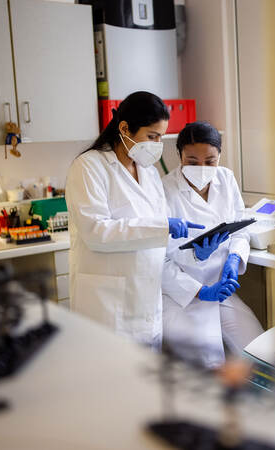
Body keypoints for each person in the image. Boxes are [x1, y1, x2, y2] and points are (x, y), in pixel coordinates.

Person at [65, 91, 204, 349]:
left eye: (160, 137)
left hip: (147, 303)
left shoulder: (149, 173)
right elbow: (97, 232)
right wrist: (163, 227)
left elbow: (158, 243)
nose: (157, 144)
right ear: (124, 127)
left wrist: (195, 253)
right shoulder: (88, 167)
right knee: (110, 383)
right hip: (107, 306)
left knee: (146, 384)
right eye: (152, 136)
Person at [162, 121, 264, 368]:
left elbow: (241, 228)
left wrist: (233, 259)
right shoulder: (164, 189)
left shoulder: (226, 179)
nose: (202, 168)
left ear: (220, 156)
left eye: (210, 161)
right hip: (182, 297)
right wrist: (199, 290)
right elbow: (159, 260)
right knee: (207, 366)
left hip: (219, 290)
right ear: (179, 156)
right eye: (192, 161)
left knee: (260, 351)